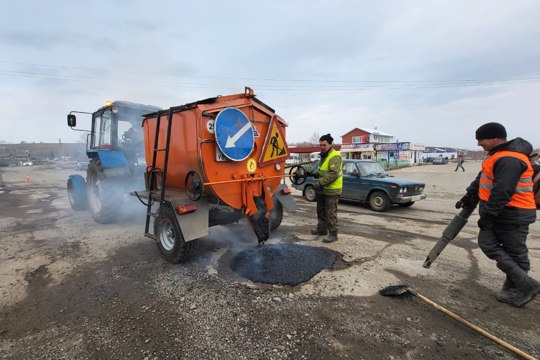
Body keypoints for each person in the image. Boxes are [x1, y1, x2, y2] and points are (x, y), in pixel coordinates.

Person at [456, 122, 539, 307]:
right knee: (487, 244)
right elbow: (482, 178)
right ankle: (522, 285)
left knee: (516, 254)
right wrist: (468, 196)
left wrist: (489, 215)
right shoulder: (496, 156)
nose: (479, 144)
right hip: (500, 212)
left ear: (495, 138)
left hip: (513, 213)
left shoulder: (510, 159)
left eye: (481, 140)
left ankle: (521, 288)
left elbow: (503, 191)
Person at [306, 134, 343, 243]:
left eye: (324, 145)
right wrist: (313, 173)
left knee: (331, 213)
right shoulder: (324, 155)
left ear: (330, 144)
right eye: (320, 145)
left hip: (332, 189)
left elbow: (333, 175)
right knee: (321, 210)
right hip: (323, 189)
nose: (322, 147)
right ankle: (322, 229)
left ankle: (333, 234)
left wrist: (319, 183)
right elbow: (322, 171)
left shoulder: (334, 157)